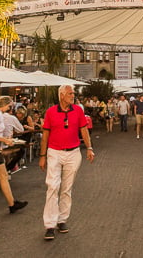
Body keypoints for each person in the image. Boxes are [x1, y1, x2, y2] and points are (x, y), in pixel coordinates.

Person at [39, 85, 95, 240]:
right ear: (62, 95)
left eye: (73, 93)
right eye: (70, 93)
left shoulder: (78, 110)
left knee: (66, 188)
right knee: (52, 186)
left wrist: (89, 148)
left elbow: (83, 130)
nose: (73, 95)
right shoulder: (50, 112)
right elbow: (45, 136)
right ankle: (50, 224)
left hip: (73, 153)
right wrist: (42, 156)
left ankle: (62, 220)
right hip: (54, 152)